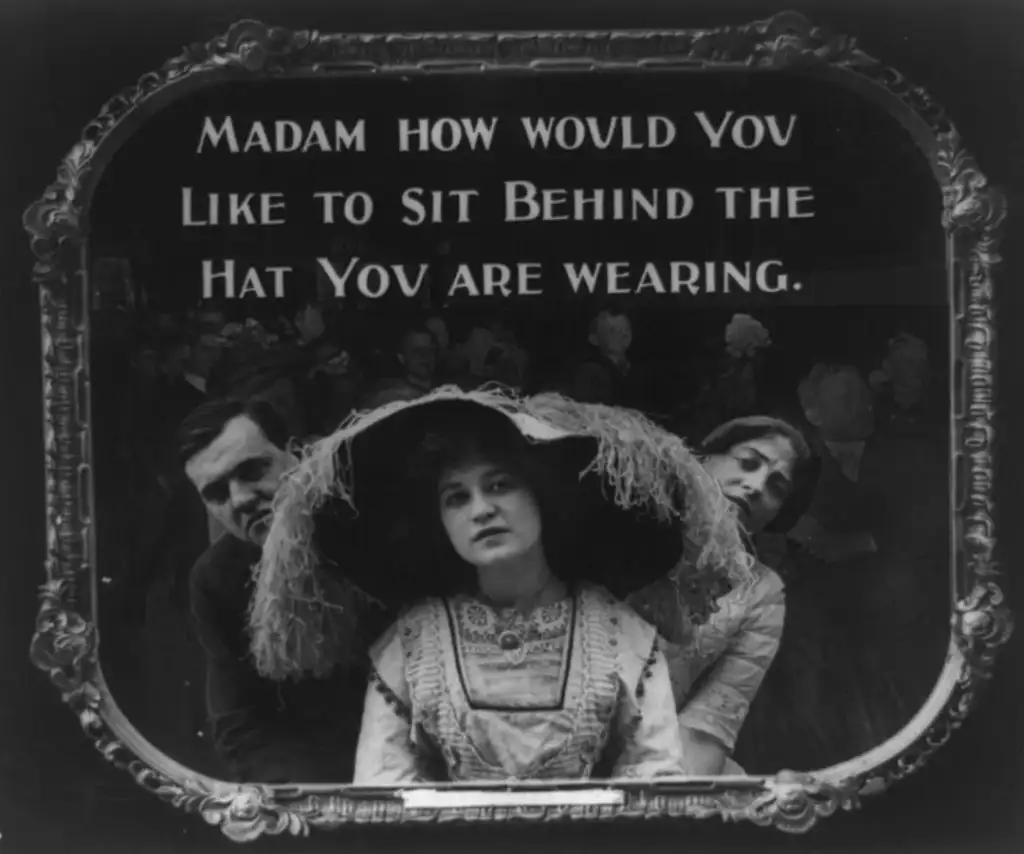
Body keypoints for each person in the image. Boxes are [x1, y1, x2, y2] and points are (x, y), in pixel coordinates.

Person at [249, 387, 756, 783]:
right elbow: (382, 786)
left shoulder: (620, 634)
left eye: (499, 485)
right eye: (456, 498)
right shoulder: (412, 641)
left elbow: (655, 780)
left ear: (541, 498)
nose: (481, 510)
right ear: (442, 523)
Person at [181, 397, 380, 783]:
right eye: (217, 493)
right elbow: (241, 725)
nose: (239, 499)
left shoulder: (373, 522)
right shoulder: (217, 579)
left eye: (252, 470)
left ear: (297, 452)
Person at [629, 415, 819, 775]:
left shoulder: (762, 592)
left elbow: (708, 726)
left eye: (777, 487)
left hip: (657, 763)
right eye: (748, 463)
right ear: (703, 458)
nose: (756, 485)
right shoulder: (627, 517)